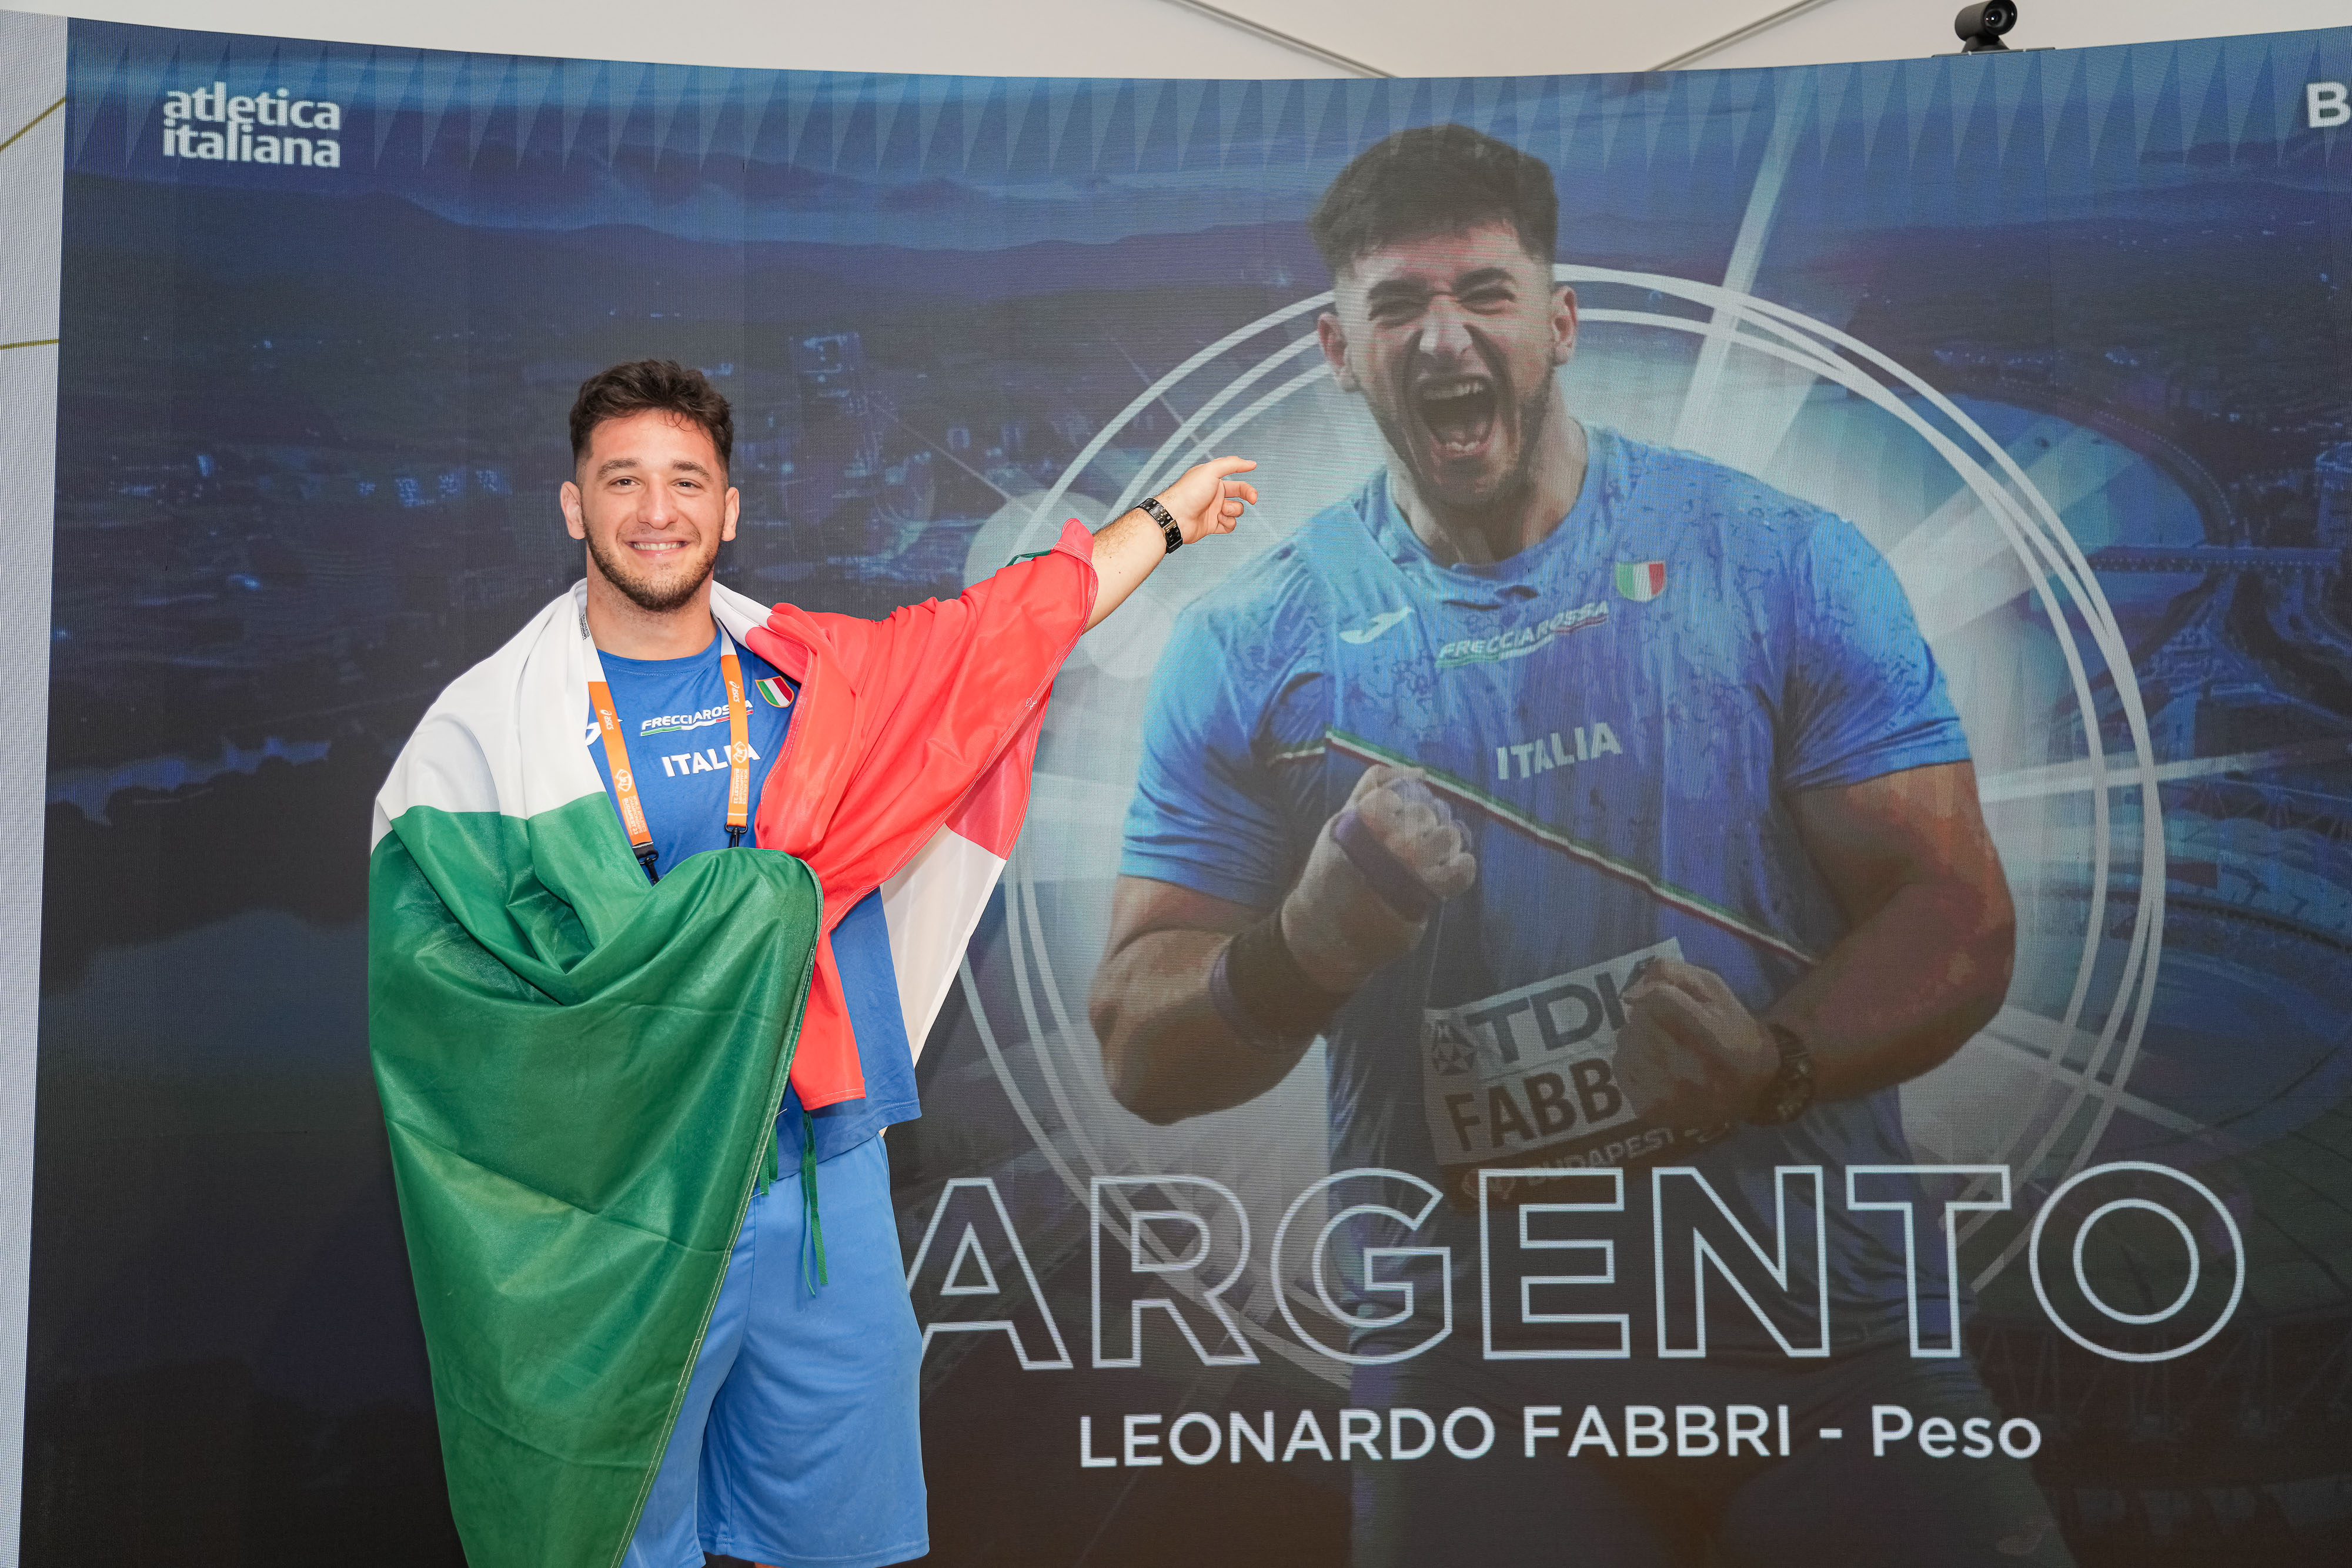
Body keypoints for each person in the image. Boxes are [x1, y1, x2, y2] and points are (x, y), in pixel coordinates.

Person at [1090, 126, 2069, 1566]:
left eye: (1483, 293)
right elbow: (1138, 1046)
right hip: (1466, 1382)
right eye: (1394, 306)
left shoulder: (1779, 558)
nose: (1442, 338)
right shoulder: (1247, 644)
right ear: (1336, 351)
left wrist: (1773, 1061)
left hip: (1832, 1343)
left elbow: (1953, 910)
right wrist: (1296, 952)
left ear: (1557, 322)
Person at [369, 360, 1255, 1568]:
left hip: (816, 1178)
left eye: (687, 481)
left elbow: (1000, 633)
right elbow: (440, 990)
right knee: (617, 1536)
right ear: (573, 505)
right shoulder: (487, 735)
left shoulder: (814, 678)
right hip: (620, 1198)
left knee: (841, 1540)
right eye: (622, 481)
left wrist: (1167, 517)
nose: (656, 510)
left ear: (729, 508)